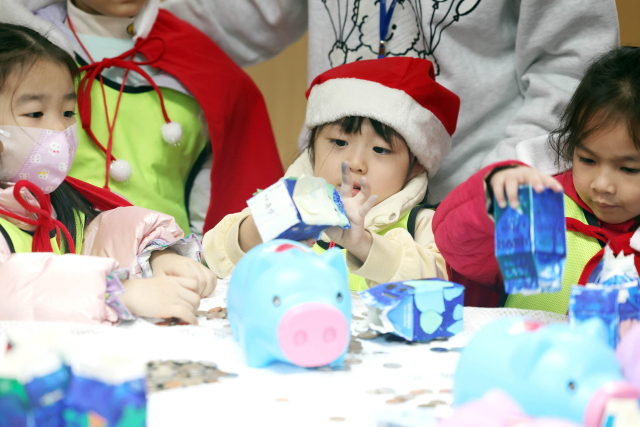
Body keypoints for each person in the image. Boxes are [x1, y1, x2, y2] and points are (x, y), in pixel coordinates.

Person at [161, 0, 619, 204]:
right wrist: (108, 24)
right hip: (334, 201)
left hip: (474, 200)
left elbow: (572, 62)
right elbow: (243, 12)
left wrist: (488, 193)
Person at [1, 0, 284, 237]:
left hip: (168, 259)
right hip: (51, 253)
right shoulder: (20, 46)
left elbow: (219, 193)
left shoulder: (200, 59)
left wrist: (201, 261)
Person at [0, 23, 216, 325]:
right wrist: (114, 292)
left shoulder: (58, 207)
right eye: (35, 114)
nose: (60, 130)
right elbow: (11, 287)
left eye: (67, 113)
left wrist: (157, 258)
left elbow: (105, 236)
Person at [203, 57, 460, 290]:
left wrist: (363, 245)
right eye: (339, 143)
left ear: (416, 165)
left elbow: (439, 286)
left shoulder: (425, 224)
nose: (356, 163)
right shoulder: (285, 205)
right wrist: (264, 227)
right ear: (312, 149)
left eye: (380, 149)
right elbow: (212, 259)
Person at [433, 46, 640, 313]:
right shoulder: (542, 211)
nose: (601, 184)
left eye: (628, 169)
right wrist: (490, 200)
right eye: (587, 160)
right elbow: (464, 256)